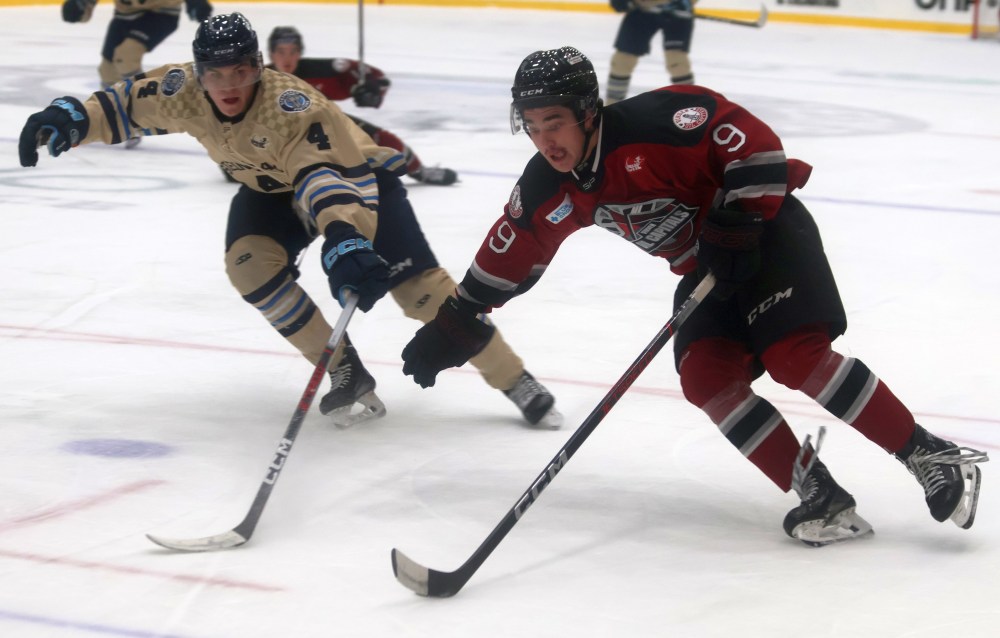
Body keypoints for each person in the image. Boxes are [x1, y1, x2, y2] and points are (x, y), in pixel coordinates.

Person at [399, 46, 989, 545]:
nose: (543, 139)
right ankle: (818, 491)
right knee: (706, 376)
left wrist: (736, 218)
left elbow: (755, 147)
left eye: (553, 121)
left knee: (792, 356)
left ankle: (928, 454)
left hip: (768, 234)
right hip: (709, 269)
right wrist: (458, 318)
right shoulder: (548, 185)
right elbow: (512, 251)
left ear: (587, 111)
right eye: (529, 124)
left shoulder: (661, 122)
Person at [17, 13, 562, 430]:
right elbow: (124, 105)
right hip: (270, 189)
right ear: (200, 74)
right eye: (216, 74)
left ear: (258, 67)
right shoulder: (184, 91)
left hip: (356, 182)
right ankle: (344, 366)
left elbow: (326, 181)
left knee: (422, 294)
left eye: (241, 71)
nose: (229, 85)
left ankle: (515, 380)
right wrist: (69, 118)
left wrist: (344, 238)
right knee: (249, 267)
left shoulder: (294, 107)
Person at [266, 26, 457, 186]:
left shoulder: (325, 70)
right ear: (272, 54)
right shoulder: (258, 79)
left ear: (300, 52)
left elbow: (377, 79)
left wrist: (369, 91)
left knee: (381, 138)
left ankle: (419, 171)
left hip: (323, 125)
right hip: (279, 136)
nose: (287, 58)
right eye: (281, 52)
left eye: (293, 51)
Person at [59, 0, 213, 146]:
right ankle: (109, 119)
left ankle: (140, 115)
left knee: (126, 56)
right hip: (125, 16)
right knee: (107, 71)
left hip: (161, 13)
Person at [606, 0, 695, 104]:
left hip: (679, 14)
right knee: (622, 61)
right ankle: (611, 106)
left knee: (677, 63)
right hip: (642, 12)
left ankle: (690, 105)